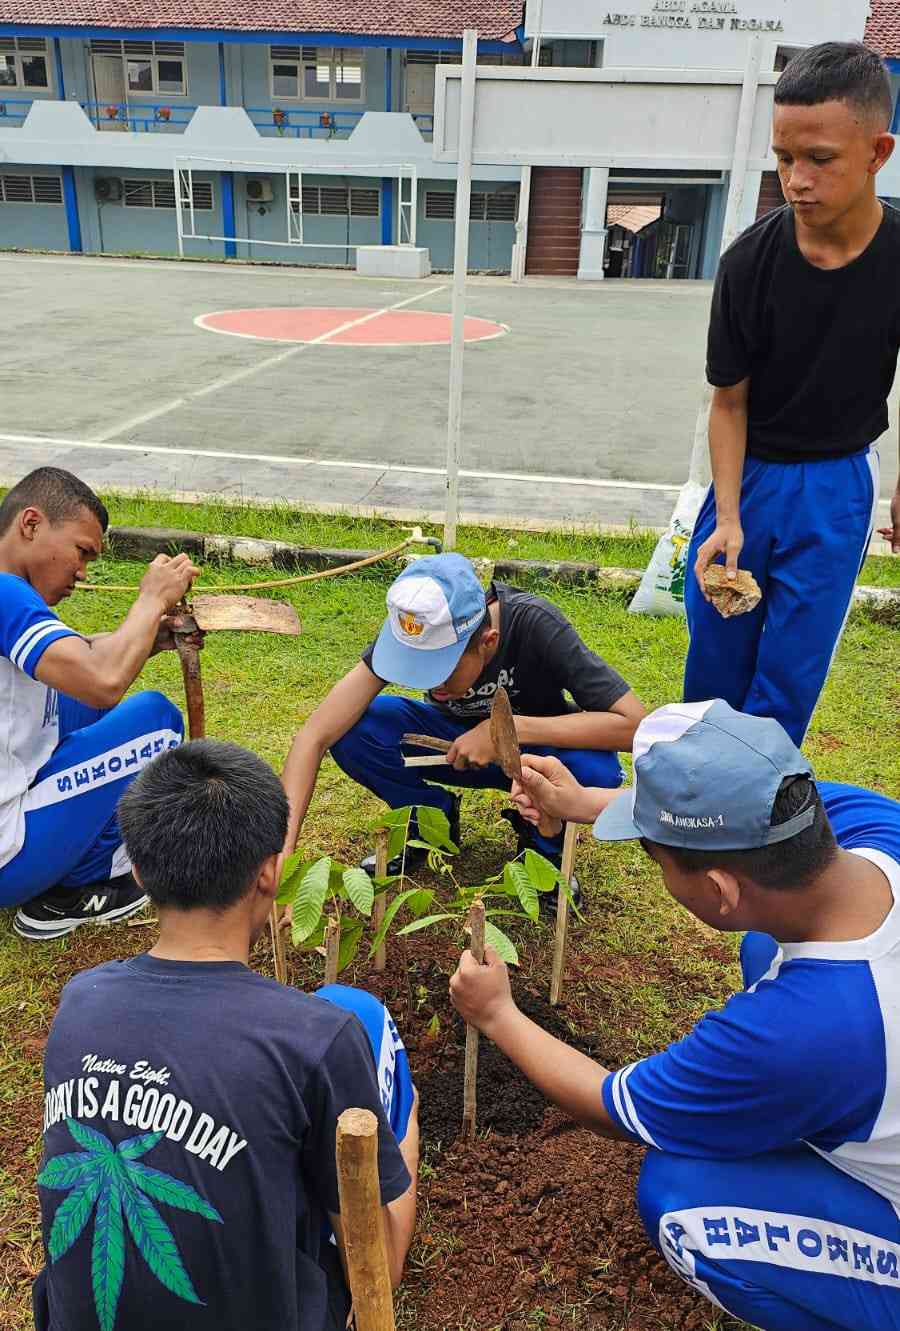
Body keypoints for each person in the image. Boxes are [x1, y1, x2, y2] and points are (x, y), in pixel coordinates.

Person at [451, 699, 900, 1331]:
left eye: (657, 862)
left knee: (681, 1201)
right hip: (865, 1057)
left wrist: (498, 1014)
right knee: (761, 946)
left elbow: (611, 1106)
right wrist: (581, 802)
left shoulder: (796, 1033)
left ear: (720, 890)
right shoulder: (870, 824)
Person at [34, 739, 419, 1331]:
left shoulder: (80, 1002)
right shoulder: (317, 1036)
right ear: (270, 870)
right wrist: (409, 1118)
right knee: (362, 1013)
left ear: (137, 870)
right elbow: (380, 1265)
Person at [685, 42, 900, 747]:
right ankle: (696, 820)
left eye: (820, 159)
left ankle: (758, 838)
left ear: (877, 152)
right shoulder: (749, 262)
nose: (796, 180)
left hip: (839, 484)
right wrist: (727, 515)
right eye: (783, 158)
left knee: (790, 677)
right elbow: (729, 403)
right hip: (746, 477)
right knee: (716, 664)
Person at [281, 552, 645, 888]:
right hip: (450, 745)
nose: (431, 683)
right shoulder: (414, 630)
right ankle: (429, 817)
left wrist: (506, 730)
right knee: (355, 730)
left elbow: (633, 725)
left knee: (597, 771)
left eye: (441, 669)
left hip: (532, 755)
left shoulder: (536, 623)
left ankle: (542, 847)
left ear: (488, 641)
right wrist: (279, 858)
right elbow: (315, 735)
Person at [0, 467, 199, 941]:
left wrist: (152, 638)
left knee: (65, 703)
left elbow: (80, 662)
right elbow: (101, 679)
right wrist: (151, 600)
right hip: (9, 860)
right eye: (81, 551)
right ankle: (82, 885)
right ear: (31, 524)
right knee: (156, 719)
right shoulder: (7, 593)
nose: (82, 574)